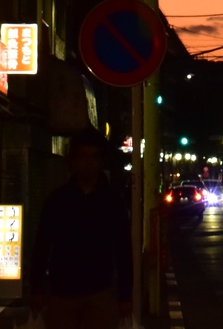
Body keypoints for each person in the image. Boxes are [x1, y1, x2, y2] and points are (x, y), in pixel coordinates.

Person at [29, 131, 132, 329]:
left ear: (101, 161)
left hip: (100, 290)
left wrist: (125, 294)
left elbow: (123, 249)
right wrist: (37, 288)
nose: (89, 163)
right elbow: (41, 245)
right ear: (74, 160)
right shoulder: (57, 200)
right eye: (84, 156)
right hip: (62, 291)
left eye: (94, 157)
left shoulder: (112, 202)